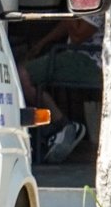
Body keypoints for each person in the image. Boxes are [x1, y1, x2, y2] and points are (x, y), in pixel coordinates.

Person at [19, 13, 103, 164]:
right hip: (74, 54)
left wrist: (69, 11)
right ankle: (58, 127)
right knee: (29, 70)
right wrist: (42, 43)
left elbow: (78, 36)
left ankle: (63, 125)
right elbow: (69, 25)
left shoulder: (96, 0)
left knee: (22, 74)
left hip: (91, 61)